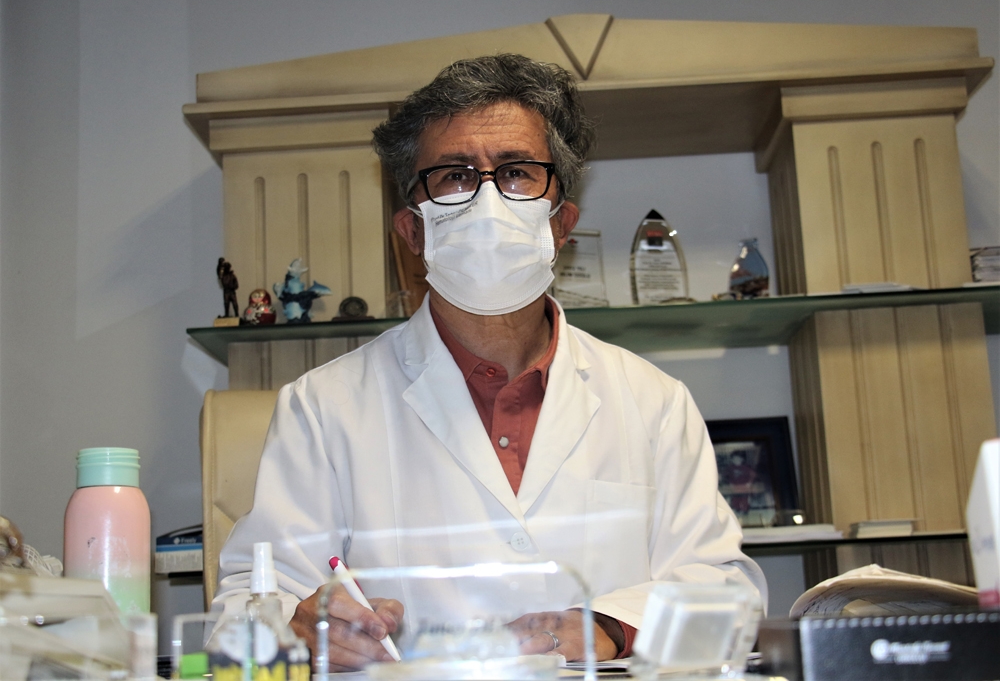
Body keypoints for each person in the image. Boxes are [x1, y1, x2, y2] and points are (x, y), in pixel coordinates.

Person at [215, 53, 766, 670]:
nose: (487, 200)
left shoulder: (654, 402)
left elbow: (726, 592)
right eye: (454, 176)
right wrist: (297, 626)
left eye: (517, 172)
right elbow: (243, 612)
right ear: (412, 231)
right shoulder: (323, 408)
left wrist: (611, 625)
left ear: (561, 224)